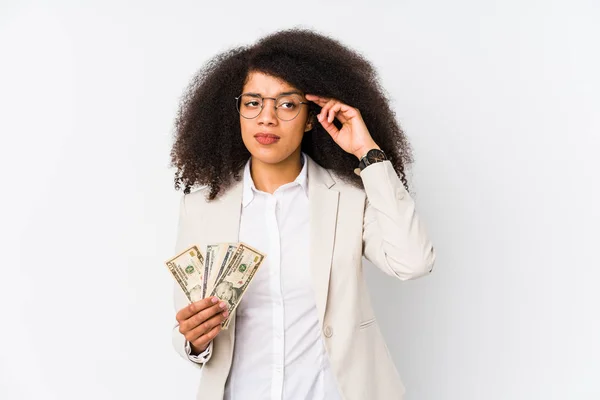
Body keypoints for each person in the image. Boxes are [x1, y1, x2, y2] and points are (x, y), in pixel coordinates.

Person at [169, 28, 436, 400]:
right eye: (253, 103)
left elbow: (413, 262)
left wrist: (367, 152)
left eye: (287, 104)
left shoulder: (349, 198)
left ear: (311, 118)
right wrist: (195, 341)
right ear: (237, 113)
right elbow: (189, 326)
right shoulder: (201, 207)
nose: (267, 118)